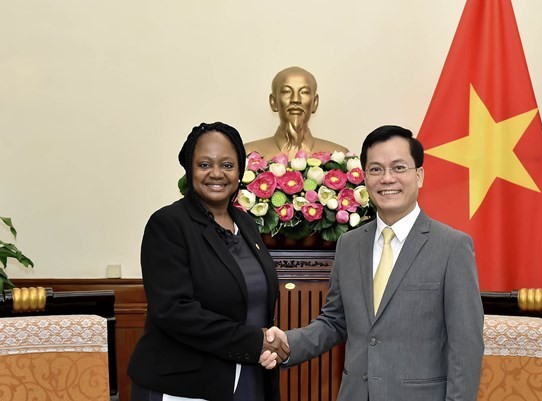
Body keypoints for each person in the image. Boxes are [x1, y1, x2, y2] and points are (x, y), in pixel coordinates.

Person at [262, 125, 484, 401]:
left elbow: (466, 347)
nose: (387, 178)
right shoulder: (349, 244)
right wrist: (287, 342)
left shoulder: (452, 247)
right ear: (365, 178)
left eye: (399, 167)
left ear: (420, 175)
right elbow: (334, 321)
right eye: (376, 169)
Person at [128, 122, 289, 401]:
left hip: (249, 375)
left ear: (240, 171)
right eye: (205, 164)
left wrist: (267, 343)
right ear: (190, 170)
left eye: (227, 165)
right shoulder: (168, 224)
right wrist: (253, 341)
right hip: (184, 386)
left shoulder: (247, 224)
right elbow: (174, 311)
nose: (216, 173)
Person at [244, 66, 349, 159]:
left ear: (315, 102)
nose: (295, 99)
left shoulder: (339, 157)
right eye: (286, 91)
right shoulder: (247, 155)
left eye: (304, 92)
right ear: (273, 102)